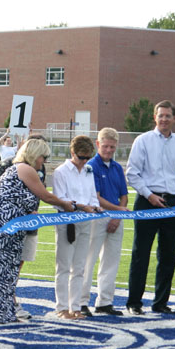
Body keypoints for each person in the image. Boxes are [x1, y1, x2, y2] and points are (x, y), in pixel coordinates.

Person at [0, 138, 73, 324]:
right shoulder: (25, 169)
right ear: (34, 155)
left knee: (8, 269)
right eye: (44, 156)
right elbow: (45, 195)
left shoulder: (20, 169)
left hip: (12, 223)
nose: (44, 161)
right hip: (2, 221)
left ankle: (1, 312)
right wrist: (65, 204)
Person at [125, 100, 175, 315]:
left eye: (167, 116)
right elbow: (132, 173)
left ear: (174, 118)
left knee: (168, 255)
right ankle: (134, 303)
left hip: (172, 204)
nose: (164, 119)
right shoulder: (143, 141)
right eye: (160, 115)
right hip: (147, 201)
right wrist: (149, 195)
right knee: (141, 254)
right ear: (155, 118)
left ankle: (161, 302)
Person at [0, 135, 48, 320]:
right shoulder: (11, 165)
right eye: (42, 156)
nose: (44, 161)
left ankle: (7, 304)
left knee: (16, 265)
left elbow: (37, 194)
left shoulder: (39, 168)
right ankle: (4, 305)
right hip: (10, 224)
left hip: (28, 223)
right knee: (3, 265)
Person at [79, 128, 129, 316]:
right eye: (106, 146)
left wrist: (117, 216)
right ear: (98, 144)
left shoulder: (116, 167)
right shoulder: (91, 166)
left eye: (112, 147)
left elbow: (124, 195)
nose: (109, 150)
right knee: (88, 259)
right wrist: (117, 211)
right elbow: (96, 197)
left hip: (116, 216)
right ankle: (82, 301)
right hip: (97, 216)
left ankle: (105, 301)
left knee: (111, 261)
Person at [52, 135, 102, 320]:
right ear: (72, 152)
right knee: (64, 266)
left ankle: (76, 306)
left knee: (80, 266)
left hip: (85, 221)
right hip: (67, 222)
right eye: (81, 157)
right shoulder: (61, 172)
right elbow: (60, 199)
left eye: (87, 157)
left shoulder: (88, 170)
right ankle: (62, 307)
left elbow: (93, 195)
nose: (84, 161)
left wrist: (96, 207)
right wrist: (82, 206)